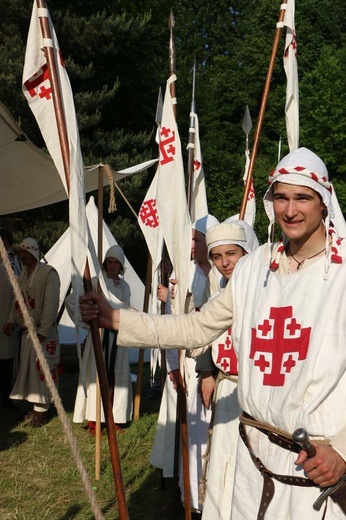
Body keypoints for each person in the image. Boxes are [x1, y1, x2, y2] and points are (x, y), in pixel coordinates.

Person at [80, 148, 346, 519]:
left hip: (316, 464)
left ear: (323, 201)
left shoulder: (341, 273)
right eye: (282, 197)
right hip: (252, 457)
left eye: (302, 197)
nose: (290, 210)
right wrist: (118, 319)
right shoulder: (255, 269)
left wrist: (343, 449)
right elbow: (196, 326)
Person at [150, 214, 218, 516]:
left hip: (216, 371)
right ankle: (189, 497)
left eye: (196, 239)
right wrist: (173, 366)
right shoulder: (183, 273)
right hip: (188, 366)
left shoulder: (221, 275)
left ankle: (210, 496)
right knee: (190, 435)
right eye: (190, 239)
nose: (190, 245)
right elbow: (172, 323)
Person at [195, 220, 259, 519]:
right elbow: (207, 329)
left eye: (232, 253)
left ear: (248, 251)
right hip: (227, 385)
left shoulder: (265, 286)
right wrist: (206, 372)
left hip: (255, 390)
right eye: (217, 256)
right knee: (222, 458)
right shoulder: (219, 286)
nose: (224, 263)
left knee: (249, 463)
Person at [67, 244, 133, 434]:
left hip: (119, 337)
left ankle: (115, 418)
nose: (112, 266)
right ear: (105, 263)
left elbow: (125, 309)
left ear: (121, 266)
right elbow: (72, 300)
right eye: (110, 262)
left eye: (116, 263)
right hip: (100, 336)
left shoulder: (125, 286)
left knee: (117, 377)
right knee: (97, 376)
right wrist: (90, 320)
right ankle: (95, 420)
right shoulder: (96, 282)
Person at [3, 238, 60, 427]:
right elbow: (16, 302)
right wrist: (11, 321)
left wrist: (43, 330)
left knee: (42, 371)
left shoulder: (49, 273)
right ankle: (35, 408)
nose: (21, 256)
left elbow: (51, 303)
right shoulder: (21, 276)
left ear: (34, 252)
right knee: (30, 373)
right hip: (27, 334)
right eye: (20, 253)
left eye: (24, 253)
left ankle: (41, 412)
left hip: (43, 333)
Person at [0, 230, 21, 409]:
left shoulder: (14, 261)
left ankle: (6, 396)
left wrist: (11, 319)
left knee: (7, 360)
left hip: (9, 316)